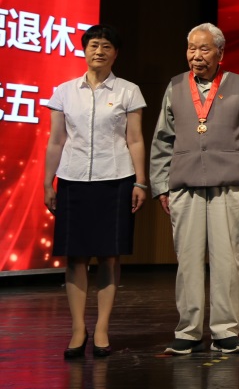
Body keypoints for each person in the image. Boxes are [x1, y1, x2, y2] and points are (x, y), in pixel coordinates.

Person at [151, 22, 239, 355]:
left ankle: (225, 331)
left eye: (204, 49)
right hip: (185, 183)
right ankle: (188, 331)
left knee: (228, 260)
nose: (196, 55)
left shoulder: (238, 85)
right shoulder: (176, 86)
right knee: (188, 260)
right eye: (191, 48)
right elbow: (162, 138)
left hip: (231, 183)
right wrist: (161, 185)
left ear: (220, 52)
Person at [43, 25, 147, 359]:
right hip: (72, 179)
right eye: (93, 45)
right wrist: (48, 182)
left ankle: (101, 327)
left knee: (109, 256)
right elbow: (56, 140)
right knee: (75, 256)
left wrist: (140, 182)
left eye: (106, 46)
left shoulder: (129, 90)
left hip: (115, 178)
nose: (99, 51)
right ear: (84, 50)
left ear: (116, 53)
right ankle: (78, 328)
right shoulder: (64, 92)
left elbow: (135, 139)